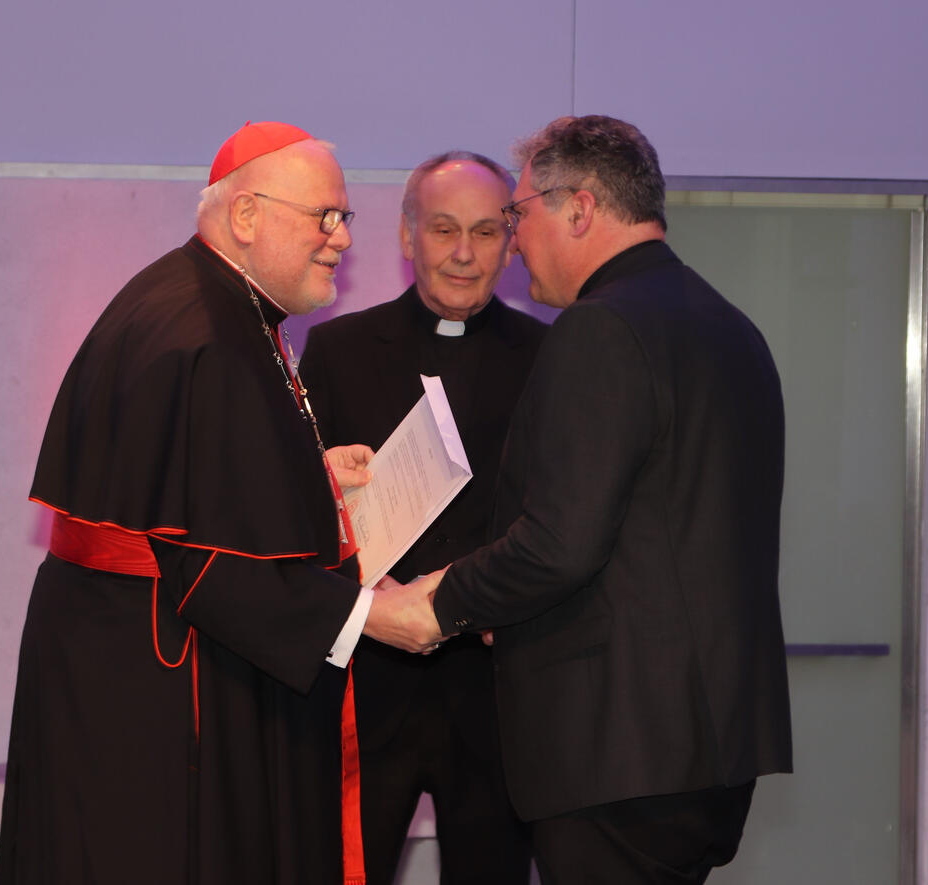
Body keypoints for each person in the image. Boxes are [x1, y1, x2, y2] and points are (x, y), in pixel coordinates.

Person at [0, 121, 423, 885]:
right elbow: (212, 565)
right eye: (323, 216)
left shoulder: (210, 301)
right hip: (153, 685)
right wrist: (375, 615)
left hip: (124, 653)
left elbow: (199, 482)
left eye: (344, 218)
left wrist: (312, 475)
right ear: (247, 215)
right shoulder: (208, 332)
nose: (340, 240)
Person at [377, 115, 793, 884]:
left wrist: (443, 602)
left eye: (518, 214)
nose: (515, 240)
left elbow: (560, 543)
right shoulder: (731, 328)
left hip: (621, 751)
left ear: (580, 208)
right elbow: (664, 538)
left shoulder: (600, 329)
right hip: (712, 748)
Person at [300, 151, 545, 884]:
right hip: (368, 686)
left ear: (511, 240)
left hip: (498, 692)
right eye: (443, 229)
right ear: (408, 237)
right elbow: (300, 509)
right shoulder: (339, 348)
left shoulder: (551, 356)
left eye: (484, 231)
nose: (464, 253)